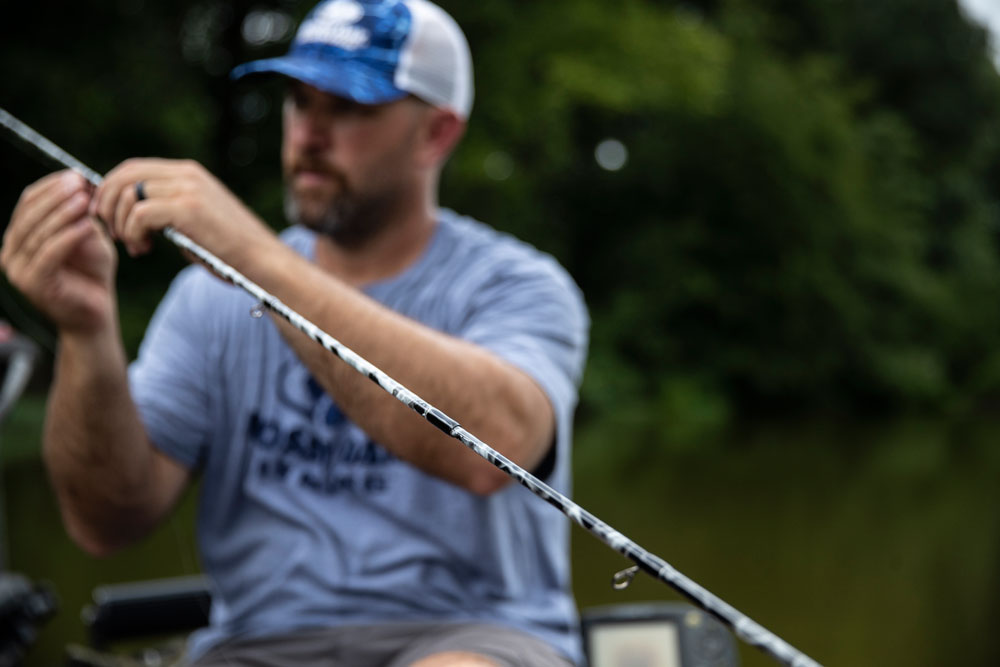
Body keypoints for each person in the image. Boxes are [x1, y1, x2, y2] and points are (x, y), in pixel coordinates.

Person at [0, 0, 589, 665]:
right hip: (253, 645)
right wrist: (86, 331)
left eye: (350, 108)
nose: (310, 133)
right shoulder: (206, 299)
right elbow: (106, 519)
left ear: (436, 134)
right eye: (299, 101)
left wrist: (257, 260)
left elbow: (495, 449)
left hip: (473, 635)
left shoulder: (518, 286)